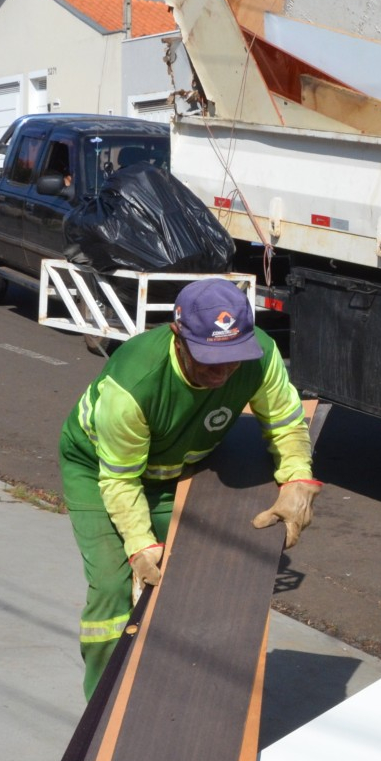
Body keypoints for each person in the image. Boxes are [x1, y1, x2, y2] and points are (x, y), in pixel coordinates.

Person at [58, 278, 320, 697]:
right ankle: (102, 708)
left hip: (177, 465)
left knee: (196, 574)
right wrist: (141, 546)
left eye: (232, 358)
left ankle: (176, 691)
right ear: (177, 337)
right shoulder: (134, 385)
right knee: (112, 585)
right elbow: (121, 481)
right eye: (209, 359)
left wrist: (297, 479)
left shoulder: (261, 355)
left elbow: (286, 421)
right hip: (99, 470)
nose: (222, 372)